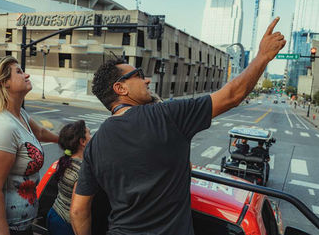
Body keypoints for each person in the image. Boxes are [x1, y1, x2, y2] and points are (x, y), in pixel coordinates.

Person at [70, 17, 286, 235]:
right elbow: (232, 95)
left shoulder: (94, 144)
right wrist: (263, 57)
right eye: (138, 75)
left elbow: (78, 210)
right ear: (120, 88)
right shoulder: (167, 115)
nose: (147, 80)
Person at [0, 56, 59, 235]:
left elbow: (40, 133)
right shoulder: (1, 126)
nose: (27, 75)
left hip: (20, 225)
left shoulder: (19, 115)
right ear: (4, 82)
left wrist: (64, 140)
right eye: (19, 72)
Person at [46, 120, 91, 235]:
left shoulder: (65, 161)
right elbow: (76, 212)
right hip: (67, 224)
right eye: (89, 134)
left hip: (54, 213)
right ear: (82, 142)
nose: (91, 137)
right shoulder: (81, 171)